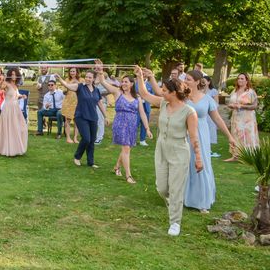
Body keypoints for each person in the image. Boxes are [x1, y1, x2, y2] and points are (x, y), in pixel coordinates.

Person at [135, 66, 202, 236]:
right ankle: (173, 204)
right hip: (161, 149)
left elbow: (194, 138)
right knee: (162, 188)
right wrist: (140, 76)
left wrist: (199, 158)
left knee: (176, 189)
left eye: (164, 90)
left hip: (179, 151)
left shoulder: (189, 112)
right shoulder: (163, 103)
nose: (161, 92)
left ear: (174, 92)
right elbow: (144, 94)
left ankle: (175, 222)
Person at [183, 70, 237, 213]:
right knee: (184, 164)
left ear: (196, 81)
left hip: (201, 134)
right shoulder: (182, 97)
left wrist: (229, 136)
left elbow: (217, 119)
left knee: (201, 164)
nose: (185, 81)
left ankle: (202, 201)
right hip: (184, 134)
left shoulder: (207, 99)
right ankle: (183, 197)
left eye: (188, 79)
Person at [96, 66, 151, 184]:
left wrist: (147, 128)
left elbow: (142, 114)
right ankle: (128, 176)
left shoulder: (137, 97)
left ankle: (117, 166)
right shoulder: (117, 92)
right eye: (122, 81)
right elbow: (103, 82)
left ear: (132, 84)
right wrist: (100, 72)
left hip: (132, 124)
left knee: (127, 147)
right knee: (126, 148)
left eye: (126, 82)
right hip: (120, 123)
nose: (123, 83)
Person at [56, 70, 108, 168]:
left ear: (93, 79)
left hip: (93, 117)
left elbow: (100, 103)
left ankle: (90, 162)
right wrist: (60, 79)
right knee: (86, 139)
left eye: (90, 77)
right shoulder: (80, 86)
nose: (88, 79)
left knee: (92, 140)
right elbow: (68, 86)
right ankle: (77, 156)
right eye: (87, 77)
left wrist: (105, 116)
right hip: (81, 116)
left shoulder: (96, 90)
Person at [0, 67, 28, 156]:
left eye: (15, 74)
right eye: (12, 74)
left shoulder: (16, 85)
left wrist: (22, 96)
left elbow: (16, 96)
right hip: (8, 108)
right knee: (8, 127)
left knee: (21, 127)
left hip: (15, 108)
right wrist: (2, 81)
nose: (14, 76)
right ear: (10, 75)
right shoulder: (7, 83)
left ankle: (16, 147)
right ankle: (6, 148)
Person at [225, 72, 259, 162]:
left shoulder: (250, 92)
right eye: (238, 78)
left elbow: (255, 106)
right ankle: (235, 156)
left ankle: (249, 156)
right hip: (236, 117)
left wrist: (242, 106)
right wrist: (231, 105)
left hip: (247, 118)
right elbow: (230, 102)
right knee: (236, 134)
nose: (239, 80)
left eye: (242, 79)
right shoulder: (234, 91)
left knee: (247, 136)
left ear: (247, 80)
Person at [60, 67, 80, 143]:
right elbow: (64, 92)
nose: (72, 73)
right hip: (68, 103)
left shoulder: (81, 80)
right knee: (67, 120)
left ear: (77, 72)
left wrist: (77, 83)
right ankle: (68, 138)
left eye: (73, 71)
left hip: (78, 103)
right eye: (71, 71)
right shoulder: (66, 80)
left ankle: (75, 138)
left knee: (77, 121)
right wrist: (70, 84)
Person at [204, 76, 220, 157]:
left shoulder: (213, 91)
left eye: (204, 81)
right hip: (203, 113)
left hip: (210, 114)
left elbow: (216, 104)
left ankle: (209, 150)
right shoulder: (200, 91)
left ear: (209, 82)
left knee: (210, 130)